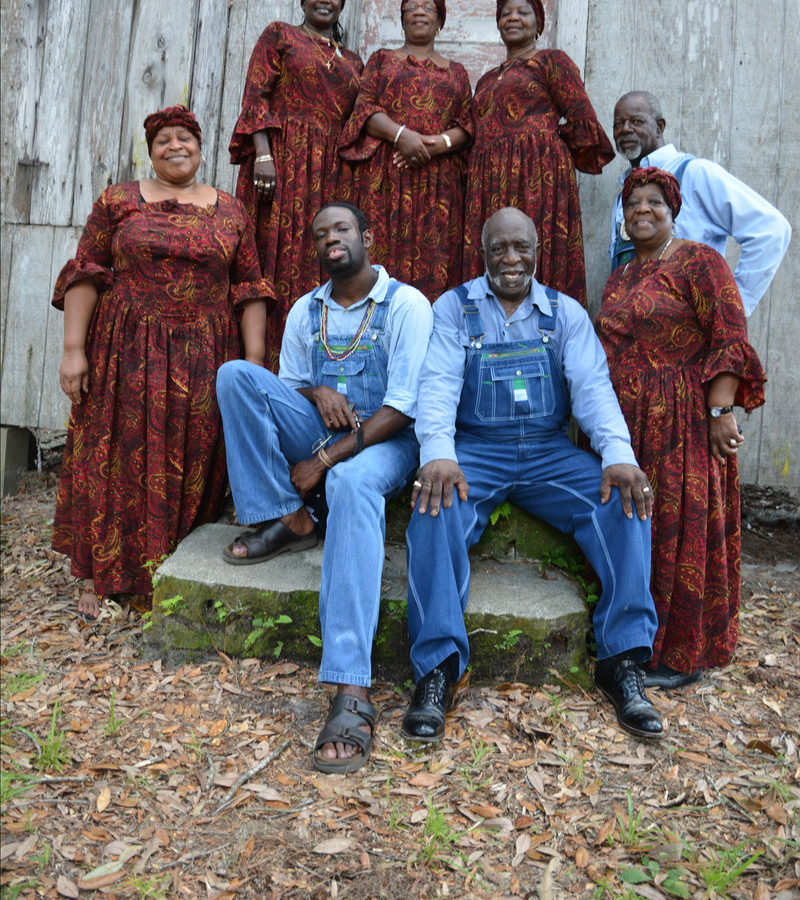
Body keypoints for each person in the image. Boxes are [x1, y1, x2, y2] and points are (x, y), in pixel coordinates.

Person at [403, 207, 663, 743]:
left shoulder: (562, 314)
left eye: (521, 247)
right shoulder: (455, 309)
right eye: (499, 248)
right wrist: (438, 452)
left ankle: (622, 661)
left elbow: (592, 388)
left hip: (548, 453)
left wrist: (619, 455)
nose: (511, 259)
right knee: (434, 507)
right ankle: (437, 668)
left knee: (623, 501)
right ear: (484, 253)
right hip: (479, 450)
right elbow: (437, 384)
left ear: (538, 252)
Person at [216, 202, 432, 773]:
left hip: (386, 440)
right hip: (323, 431)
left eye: (341, 229)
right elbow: (283, 387)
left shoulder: (404, 304)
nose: (330, 240)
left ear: (366, 235)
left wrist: (325, 462)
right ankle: (288, 515)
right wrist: (316, 394)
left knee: (354, 483)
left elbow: (405, 407)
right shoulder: (306, 309)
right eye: (320, 234)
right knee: (237, 376)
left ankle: (350, 688)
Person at [52, 106, 272, 620]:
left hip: (204, 353)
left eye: (186, 139)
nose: (176, 147)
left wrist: (255, 361)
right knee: (113, 451)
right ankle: (101, 573)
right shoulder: (119, 200)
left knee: (192, 455)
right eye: (164, 141)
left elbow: (250, 289)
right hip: (123, 349)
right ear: (149, 151)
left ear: (200, 146)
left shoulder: (231, 210)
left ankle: (170, 568)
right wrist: (73, 350)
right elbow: (86, 273)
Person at [597, 168, 766, 689]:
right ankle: (633, 639)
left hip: (683, 422)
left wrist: (719, 411)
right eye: (632, 204)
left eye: (654, 204)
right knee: (635, 527)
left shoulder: (700, 261)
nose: (642, 211)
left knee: (678, 527)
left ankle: (680, 655)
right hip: (628, 422)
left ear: (673, 213)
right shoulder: (623, 273)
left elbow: (729, 336)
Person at [229, 0, 364, 368]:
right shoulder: (280, 35)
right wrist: (264, 154)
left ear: (342, 6)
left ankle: (308, 366)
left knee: (316, 257)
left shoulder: (354, 61)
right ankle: (258, 363)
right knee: (272, 253)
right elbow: (256, 96)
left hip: (330, 172)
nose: (325, 0)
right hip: (283, 161)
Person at [464, 0, 613, 304]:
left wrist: (546, 148)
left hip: (537, 174)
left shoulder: (552, 61)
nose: (513, 18)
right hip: (488, 179)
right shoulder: (487, 79)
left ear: (539, 24)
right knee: (494, 250)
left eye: (523, 12)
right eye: (506, 14)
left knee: (536, 248)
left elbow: (581, 116)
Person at [340, 0, 473, 302]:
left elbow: (467, 125)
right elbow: (364, 110)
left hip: (439, 184)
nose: (419, 12)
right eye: (411, 7)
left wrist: (432, 145)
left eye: (428, 7)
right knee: (381, 257)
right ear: (401, 20)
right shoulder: (382, 59)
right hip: (386, 179)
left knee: (437, 259)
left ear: (440, 21)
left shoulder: (456, 72)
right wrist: (402, 137)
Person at [609, 90, 791, 314]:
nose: (625, 129)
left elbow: (771, 230)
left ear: (659, 127)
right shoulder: (623, 195)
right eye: (618, 124)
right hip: (634, 337)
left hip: (688, 336)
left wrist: (732, 310)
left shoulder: (695, 174)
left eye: (636, 121)